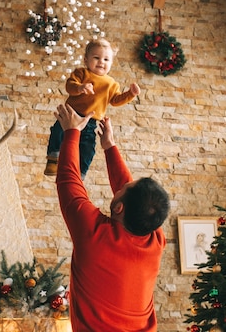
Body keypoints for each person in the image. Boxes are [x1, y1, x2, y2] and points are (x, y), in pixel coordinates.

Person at [53, 103, 170, 331]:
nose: (121, 185)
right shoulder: (154, 236)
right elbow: (134, 197)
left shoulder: (93, 234)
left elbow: (68, 179)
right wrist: (109, 146)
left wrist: (71, 131)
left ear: (119, 208)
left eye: (124, 188)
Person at [44, 38, 140, 178]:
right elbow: (69, 86)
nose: (101, 62)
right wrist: (80, 87)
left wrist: (130, 94)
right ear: (86, 60)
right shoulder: (82, 73)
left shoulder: (111, 84)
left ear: (111, 63)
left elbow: (115, 100)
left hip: (90, 121)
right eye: (96, 58)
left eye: (106, 59)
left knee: (88, 148)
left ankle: (80, 173)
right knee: (58, 133)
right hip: (71, 114)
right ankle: (53, 158)